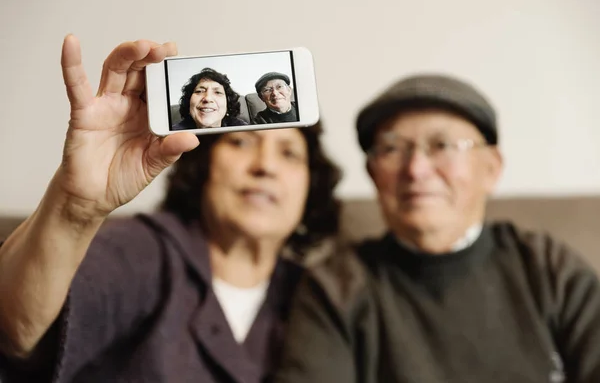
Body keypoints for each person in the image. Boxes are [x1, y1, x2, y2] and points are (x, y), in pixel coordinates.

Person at [0, 35, 341, 382]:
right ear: (203, 166)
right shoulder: (142, 249)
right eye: (240, 142)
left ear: (311, 187)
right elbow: (18, 333)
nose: (265, 166)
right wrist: (73, 210)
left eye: (289, 153)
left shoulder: (315, 296)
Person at [273, 74, 600, 382]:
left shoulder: (548, 269)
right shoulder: (335, 287)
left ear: (491, 168)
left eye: (442, 145)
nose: (416, 169)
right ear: (373, 174)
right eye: (392, 148)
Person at [172, 67, 248, 130]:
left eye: (218, 92)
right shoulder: (172, 136)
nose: (208, 98)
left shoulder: (245, 131)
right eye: (199, 91)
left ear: (228, 104)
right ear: (189, 102)